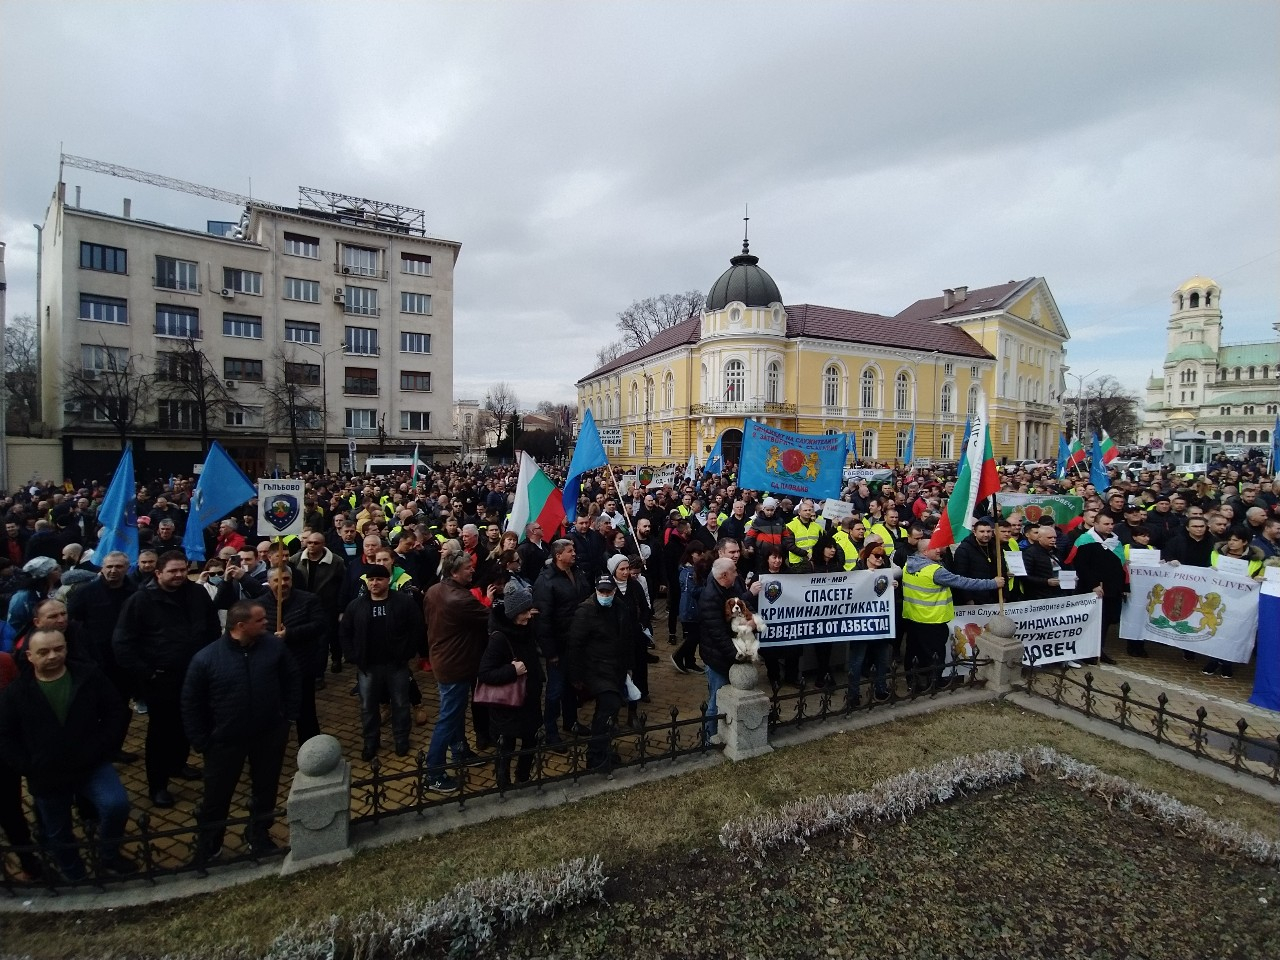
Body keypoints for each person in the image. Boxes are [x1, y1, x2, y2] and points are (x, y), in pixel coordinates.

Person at [0, 629, 136, 881]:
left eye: (59, 649)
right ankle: (74, 874)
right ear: (29, 656)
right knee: (58, 830)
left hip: (91, 764)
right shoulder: (16, 693)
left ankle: (109, 855)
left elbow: (114, 711)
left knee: (116, 805)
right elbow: (6, 735)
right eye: (44, 652)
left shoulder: (88, 676)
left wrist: (101, 746)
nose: (53, 656)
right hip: (47, 774)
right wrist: (27, 766)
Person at [181, 601, 300, 860]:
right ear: (240, 626)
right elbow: (191, 703)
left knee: (265, 790)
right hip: (225, 741)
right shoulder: (206, 659)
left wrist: (287, 719)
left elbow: (292, 680)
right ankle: (210, 843)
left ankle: (258, 834)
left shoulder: (274, 647)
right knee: (217, 796)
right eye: (260, 620)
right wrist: (202, 740)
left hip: (268, 734)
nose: (267, 622)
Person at [113, 550, 221, 807]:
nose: (179, 575)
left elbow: (212, 626)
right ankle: (158, 784)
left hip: (195, 674)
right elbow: (123, 643)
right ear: (158, 573)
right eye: (173, 571)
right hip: (161, 679)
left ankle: (178, 764)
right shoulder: (140, 600)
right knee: (161, 733)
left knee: (188, 724)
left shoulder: (196, 593)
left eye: (183, 570)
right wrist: (148, 672)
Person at [424, 552, 494, 792]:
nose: (472, 571)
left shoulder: (434, 591)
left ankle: (460, 750)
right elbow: (489, 618)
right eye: (467, 568)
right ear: (454, 572)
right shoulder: (460, 599)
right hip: (456, 664)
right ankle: (433, 771)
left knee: (454, 711)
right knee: (449, 716)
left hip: (444, 659)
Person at [340, 564, 424, 763]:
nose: (374, 583)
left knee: (401, 703)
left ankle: (401, 739)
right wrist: (352, 655)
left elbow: (417, 627)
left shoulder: (403, 603)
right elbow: (345, 632)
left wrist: (407, 653)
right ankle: (371, 741)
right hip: (368, 666)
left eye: (378, 579)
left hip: (396, 664)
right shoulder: (356, 605)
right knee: (368, 706)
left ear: (388, 581)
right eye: (371, 580)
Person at [902, 544, 1004, 693]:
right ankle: (934, 683)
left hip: (913, 617)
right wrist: (992, 583)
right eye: (934, 548)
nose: (939, 549)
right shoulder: (934, 571)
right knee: (935, 655)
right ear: (924, 552)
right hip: (932, 619)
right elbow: (963, 582)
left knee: (914, 652)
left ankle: (913, 681)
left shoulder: (909, 564)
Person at [477, 582, 544, 790]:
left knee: (530, 742)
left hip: (529, 699)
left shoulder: (526, 629)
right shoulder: (499, 638)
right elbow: (485, 673)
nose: (529, 615)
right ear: (514, 613)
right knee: (507, 745)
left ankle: (523, 777)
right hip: (508, 705)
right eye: (525, 611)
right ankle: (503, 782)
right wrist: (511, 671)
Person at [566, 574, 631, 771]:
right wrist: (576, 676)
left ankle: (603, 748)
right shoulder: (585, 612)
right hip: (594, 668)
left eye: (608, 591)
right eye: (601, 591)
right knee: (609, 704)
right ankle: (595, 755)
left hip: (615, 667)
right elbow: (574, 645)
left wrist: (629, 667)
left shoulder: (620, 607)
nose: (605, 595)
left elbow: (627, 639)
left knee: (607, 710)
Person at [532, 539, 590, 748]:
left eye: (574, 549)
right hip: (558, 645)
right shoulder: (546, 581)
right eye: (570, 551)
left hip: (576, 642)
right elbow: (543, 620)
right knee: (555, 690)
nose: (574, 553)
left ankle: (571, 721)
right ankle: (550, 731)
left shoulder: (577, 572)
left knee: (572, 686)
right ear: (558, 555)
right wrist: (550, 652)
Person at [263, 566, 326, 745]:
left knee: (306, 713)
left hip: (301, 666)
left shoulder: (308, 600)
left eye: (286, 579)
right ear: (269, 582)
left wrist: (290, 634)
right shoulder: (260, 604)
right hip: (272, 669)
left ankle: (310, 750)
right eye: (277, 580)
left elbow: (319, 625)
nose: (283, 584)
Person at [697, 557, 753, 741]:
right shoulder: (709, 597)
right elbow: (718, 634)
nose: (737, 574)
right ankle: (709, 737)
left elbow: (744, 604)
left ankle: (730, 734)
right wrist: (738, 655)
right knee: (715, 700)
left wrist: (751, 619)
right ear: (724, 575)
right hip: (718, 657)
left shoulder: (732, 586)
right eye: (734, 571)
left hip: (731, 651)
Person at [1070, 513, 1124, 665]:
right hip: (1092, 588)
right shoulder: (1086, 540)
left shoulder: (1115, 542)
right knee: (1090, 621)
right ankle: (1085, 650)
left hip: (1111, 588)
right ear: (1096, 524)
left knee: (1105, 621)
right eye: (1106, 524)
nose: (1110, 527)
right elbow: (1082, 566)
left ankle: (1098, 649)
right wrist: (1093, 584)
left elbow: (1121, 565)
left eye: (1111, 524)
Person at [291, 530, 347, 676]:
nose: (312, 546)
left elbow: (343, 584)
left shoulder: (336, 561)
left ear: (323, 544)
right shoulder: (296, 559)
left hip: (327, 605)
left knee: (327, 638)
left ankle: (332, 662)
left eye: (316, 543)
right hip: (304, 605)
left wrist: (340, 605)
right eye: (309, 542)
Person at [848, 543, 898, 703]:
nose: (880, 559)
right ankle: (853, 694)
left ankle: (881, 689)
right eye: (877, 556)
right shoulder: (855, 573)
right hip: (860, 625)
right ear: (867, 555)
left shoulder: (885, 574)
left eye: (882, 556)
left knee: (882, 659)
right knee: (857, 660)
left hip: (879, 624)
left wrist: (892, 587)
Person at [608, 553, 653, 719]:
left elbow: (646, 608)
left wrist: (642, 624)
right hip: (617, 636)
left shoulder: (635, 586)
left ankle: (639, 694)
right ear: (614, 570)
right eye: (622, 569)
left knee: (639, 666)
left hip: (635, 633)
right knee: (620, 669)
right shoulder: (609, 586)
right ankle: (620, 695)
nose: (626, 572)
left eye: (627, 569)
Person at [672, 542, 708, 674]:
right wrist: (707, 588)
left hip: (693, 609)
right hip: (690, 609)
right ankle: (679, 656)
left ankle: (690, 661)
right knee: (694, 636)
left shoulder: (692, 570)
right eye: (699, 554)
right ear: (692, 554)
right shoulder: (688, 572)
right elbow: (692, 590)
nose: (701, 556)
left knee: (695, 636)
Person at [949, 517, 1000, 605]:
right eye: (982, 531)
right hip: (975, 597)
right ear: (974, 532)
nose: (986, 534)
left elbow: (1001, 570)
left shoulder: (995, 547)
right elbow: (960, 576)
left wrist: (1005, 595)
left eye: (988, 531)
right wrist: (968, 599)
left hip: (994, 596)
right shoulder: (964, 550)